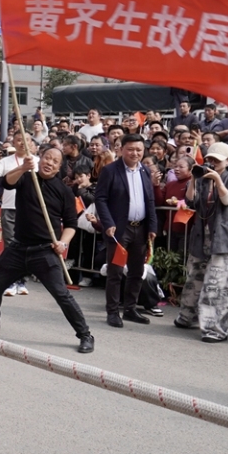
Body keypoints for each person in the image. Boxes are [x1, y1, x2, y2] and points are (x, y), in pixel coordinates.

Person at [0, 149, 95, 354]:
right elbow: (6, 183)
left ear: (59, 167)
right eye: (47, 158)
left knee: (62, 295)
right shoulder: (27, 178)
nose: (49, 163)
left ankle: (85, 335)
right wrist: (23, 167)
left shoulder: (64, 191)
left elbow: (71, 224)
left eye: (55, 161)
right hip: (18, 248)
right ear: (40, 159)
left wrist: (63, 243)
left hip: (45, 251)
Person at [175, 142, 228, 342]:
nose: (213, 163)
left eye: (217, 160)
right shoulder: (203, 178)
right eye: (210, 159)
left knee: (216, 286)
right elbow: (191, 202)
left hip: (222, 240)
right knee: (193, 280)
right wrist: (193, 179)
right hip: (201, 237)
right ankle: (187, 317)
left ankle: (216, 329)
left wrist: (218, 180)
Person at [94, 134, 158, 328]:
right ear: (121, 149)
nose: (135, 153)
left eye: (139, 150)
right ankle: (113, 312)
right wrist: (108, 223)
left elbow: (150, 200)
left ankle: (130, 308)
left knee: (137, 271)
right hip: (119, 229)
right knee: (115, 271)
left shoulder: (145, 171)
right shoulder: (110, 170)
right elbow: (100, 198)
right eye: (130, 149)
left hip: (141, 228)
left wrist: (152, 226)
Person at [0, 131, 37, 297]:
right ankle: (10, 281)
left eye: (26, 139)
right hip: (9, 208)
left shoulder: (37, 161)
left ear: (31, 142)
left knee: (27, 247)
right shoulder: (5, 161)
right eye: (19, 140)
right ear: (14, 143)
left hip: (30, 209)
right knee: (10, 246)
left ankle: (22, 281)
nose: (22, 142)